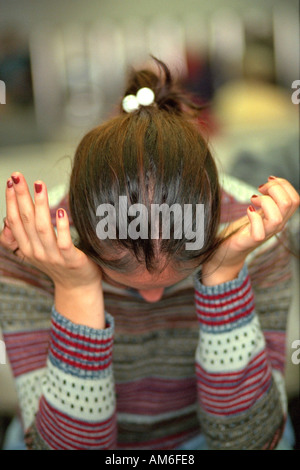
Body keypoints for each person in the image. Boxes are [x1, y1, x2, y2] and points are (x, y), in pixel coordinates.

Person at [0, 58, 299, 450]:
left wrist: (224, 275)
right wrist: (76, 290)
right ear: (84, 238)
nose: (153, 298)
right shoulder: (35, 245)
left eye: (178, 279)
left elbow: (251, 442)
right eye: (116, 277)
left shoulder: (253, 230)